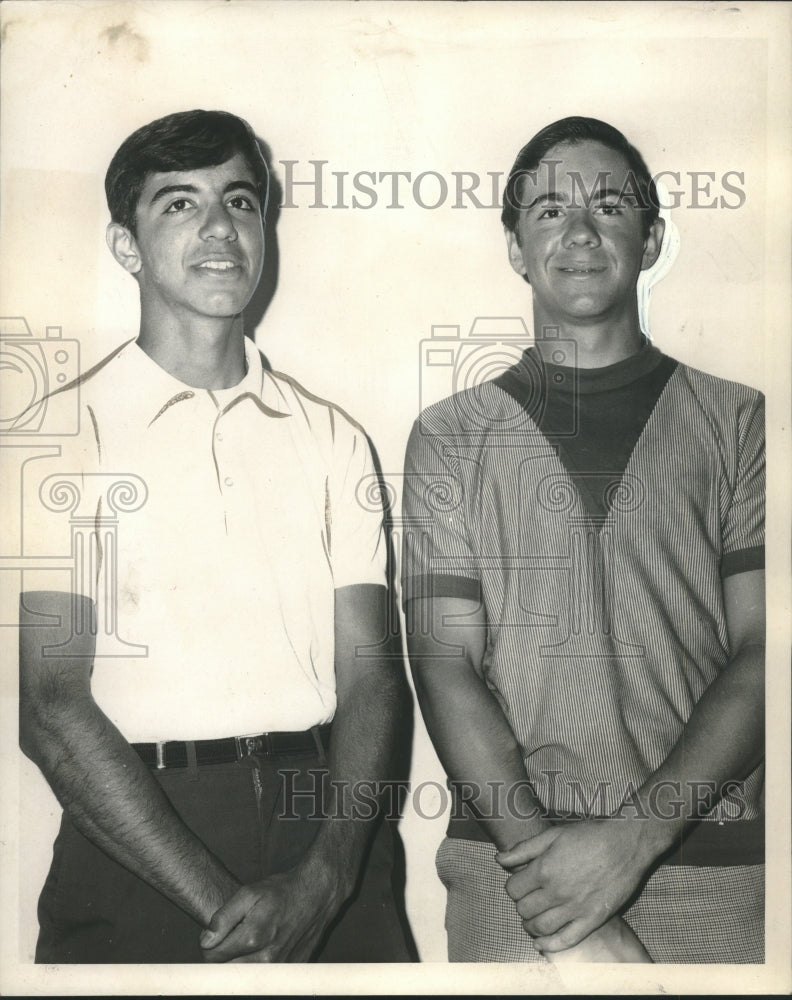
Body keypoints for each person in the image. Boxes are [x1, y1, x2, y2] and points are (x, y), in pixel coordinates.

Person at [18, 109, 415, 964]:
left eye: (239, 201)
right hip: (139, 837)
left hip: (330, 833)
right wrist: (226, 908)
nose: (217, 229)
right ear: (127, 245)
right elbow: (51, 710)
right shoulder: (61, 436)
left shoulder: (334, 436)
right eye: (177, 204)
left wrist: (328, 880)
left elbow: (374, 674)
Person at [402, 116, 764, 963]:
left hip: (712, 867)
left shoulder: (741, 424)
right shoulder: (452, 436)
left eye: (608, 206)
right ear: (516, 248)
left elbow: (765, 649)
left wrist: (632, 842)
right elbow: (442, 663)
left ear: (651, 236)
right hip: (515, 875)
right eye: (549, 211)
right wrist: (562, 896)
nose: (580, 233)